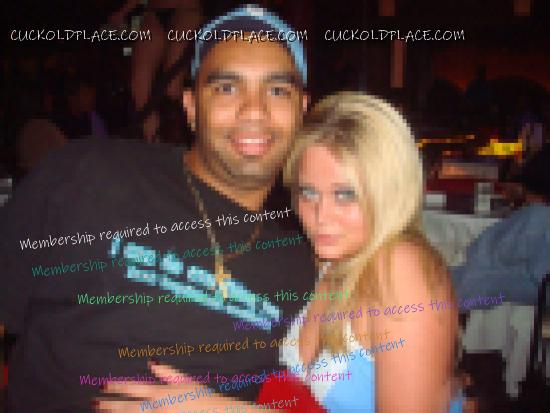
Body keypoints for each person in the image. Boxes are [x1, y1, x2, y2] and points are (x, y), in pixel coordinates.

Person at [0, 5, 315, 412]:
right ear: (191, 107)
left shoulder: (307, 265)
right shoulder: (86, 173)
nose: (254, 110)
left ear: (302, 111)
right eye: (226, 88)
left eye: (277, 90)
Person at [280, 92, 462, 412]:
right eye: (308, 192)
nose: (320, 216)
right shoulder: (330, 258)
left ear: (389, 191)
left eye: (345, 194)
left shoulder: (401, 269)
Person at [452, 144, 550, 306]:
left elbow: (481, 253)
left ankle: (414, 306)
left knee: (477, 282)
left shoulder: (539, 218)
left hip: (464, 286)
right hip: (530, 285)